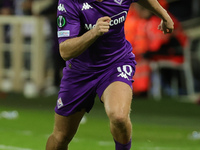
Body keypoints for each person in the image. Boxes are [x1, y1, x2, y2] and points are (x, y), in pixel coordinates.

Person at [46, 0, 174, 150]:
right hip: (79, 72)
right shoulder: (69, 2)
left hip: (115, 63)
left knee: (119, 116)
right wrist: (93, 32)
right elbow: (65, 51)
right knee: (61, 136)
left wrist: (164, 16)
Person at [125, 0, 188, 96]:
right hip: (162, 54)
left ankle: (142, 91)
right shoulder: (146, 21)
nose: (136, 11)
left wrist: (144, 53)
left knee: (141, 62)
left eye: (139, 8)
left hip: (172, 55)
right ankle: (136, 90)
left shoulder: (157, 21)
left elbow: (159, 45)